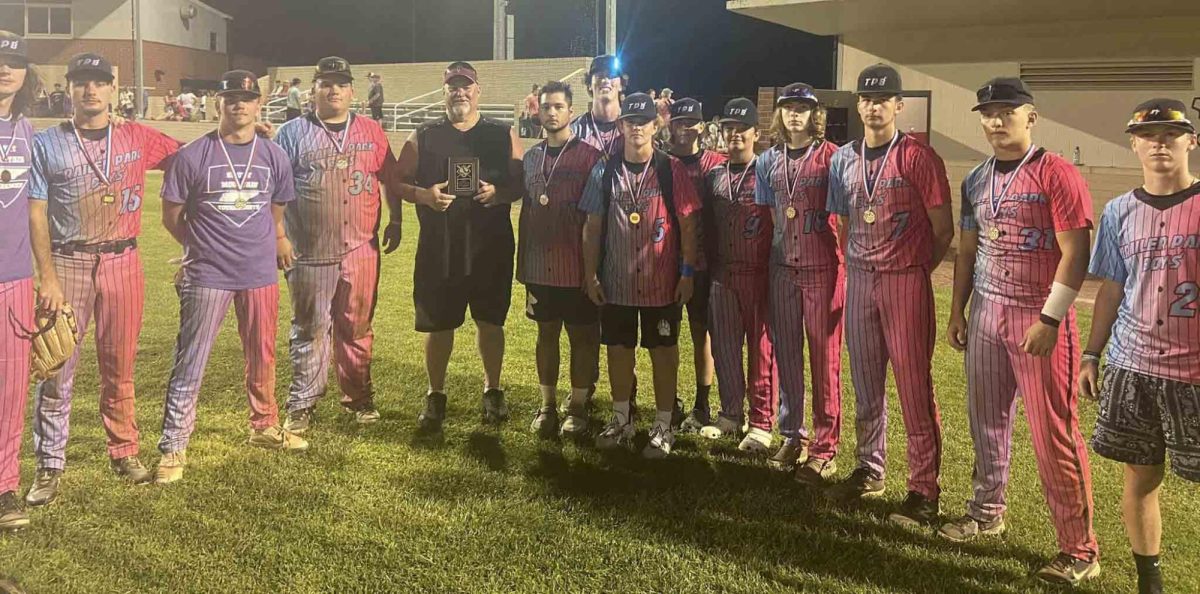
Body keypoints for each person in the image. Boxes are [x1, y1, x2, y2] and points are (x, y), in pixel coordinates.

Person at [942, 77, 1099, 585]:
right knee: (986, 420)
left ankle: (1080, 549)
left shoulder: (1057, 173)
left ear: (1031, 116)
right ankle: (987, 512)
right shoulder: (976, 178)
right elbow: (967, 251)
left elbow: (1076, 253)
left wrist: (1051, 319)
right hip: (987, 310)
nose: (994, 120)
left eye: (1006, 111)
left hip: (1037, 314)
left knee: (1053, 433)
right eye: (987, 112)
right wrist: (957, 311)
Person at [25, 52, 183, 505]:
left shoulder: (137, 135)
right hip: (69, 262)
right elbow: (35, 211)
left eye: (98, 82)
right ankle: (50, 464)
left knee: (120, 364)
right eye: (81, 82)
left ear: (114, 89)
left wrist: (246, 135)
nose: (90, 90)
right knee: (55, 368)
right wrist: (46, 277)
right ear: (69, 90)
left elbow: (188, 158)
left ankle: (124, 450)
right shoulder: (46, 143)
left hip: (123, 262)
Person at [154, 70, 305, 484]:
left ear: (258, 105)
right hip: (207, 274)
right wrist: (197, 246)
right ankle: (173, 446)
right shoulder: (193, 155)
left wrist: (275, 237)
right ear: (218, 104)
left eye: (246, 98)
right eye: (230, 98)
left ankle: (264, 426)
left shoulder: (273, 155)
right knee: (191, 359)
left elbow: (277, 206)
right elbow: (171, 213)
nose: (238, 105)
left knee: (263, 354)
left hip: (258, 273)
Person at [824, 64, 954, 528]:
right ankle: (869, 467)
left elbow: (943, 231)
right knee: (865, 382)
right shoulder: (843, 159)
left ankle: (923, 489)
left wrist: (915, 269)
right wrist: (858, 263)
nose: (873, 106)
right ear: (858, 105)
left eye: (883, 99)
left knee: (914, 387)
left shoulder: (920, 157)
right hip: (860, 277)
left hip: (905, 279)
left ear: (899, 106)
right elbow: (840, 224)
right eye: (866, 98)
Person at [1083, 99, 1200, 594]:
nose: (1158, 144)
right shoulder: (1118, 211)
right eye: (1147, 135)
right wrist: (1092, 353)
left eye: (1169, 135)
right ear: (1133, 143)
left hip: (1195, 372)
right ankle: (1148, 581)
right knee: (1141, 474)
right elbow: (1111, 286)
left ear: (1190, 141)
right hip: (1133, 365)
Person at [393, 61, 524, 434]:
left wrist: (499, 194)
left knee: (490, 321)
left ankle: (493, 390)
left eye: (466, 86)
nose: (459, 92)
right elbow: (396, 181)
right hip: (441, 247)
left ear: (478, 90)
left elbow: (520, 185)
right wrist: (425, 195)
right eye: (453, 86)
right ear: (444, 91)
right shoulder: (424, 135)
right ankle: (435, 394)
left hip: (490, 246)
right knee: (439, 324)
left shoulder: (502, 135)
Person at [274, 57, 401, 434]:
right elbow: (274, 192)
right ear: (313, 90)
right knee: (310, 328)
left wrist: (396, 218)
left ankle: (359, 397)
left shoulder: (372, 131)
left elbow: (388, 177)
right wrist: (278, 236)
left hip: (361, 248)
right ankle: (302, 402)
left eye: (341, 84)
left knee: (357, 326)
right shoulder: (290, 134)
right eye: (326, 83)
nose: (334, 90)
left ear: (351, 91)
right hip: (309, 250)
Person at [580, 93, 701, 458]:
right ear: (620, 126)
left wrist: (687, 272)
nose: (636, 127)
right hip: (616, 282)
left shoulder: (670, 169)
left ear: (654, 126)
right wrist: (590, 275)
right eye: (629, 121)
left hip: (660, 284)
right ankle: (622, 419)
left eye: (643, 121)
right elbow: (591, 226)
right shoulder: (604, 169)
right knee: (618, 350)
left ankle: (663, 425)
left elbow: (689, 223)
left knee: (663, 353)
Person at [754, 83, 844, 482]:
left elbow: (843, 218)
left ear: (814, 114)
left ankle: (825, 448)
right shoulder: (767, 161)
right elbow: (771, 214)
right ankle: (793, 435)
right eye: (788, 108)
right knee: (787, 353)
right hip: (782, 268)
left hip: (822, 268)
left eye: (802, 109)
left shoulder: (834, 158)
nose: (794, 115)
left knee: (825, 360)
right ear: (780, 114)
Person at [517, 81, 605, 438]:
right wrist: (523, 266)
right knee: (546, 334)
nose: (551, 113)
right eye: (546, 107)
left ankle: (579, 407)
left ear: (571, 112)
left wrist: (592, 271)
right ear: (537, 111)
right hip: (540, 267)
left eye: (558, 107)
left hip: (577, 268)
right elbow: (524, 211)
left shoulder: (590, 156)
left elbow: (595, 221)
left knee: (583, 337)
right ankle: (547, 405)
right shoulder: (531, 157)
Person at [696, 98, 776, 454]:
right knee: (725, 347)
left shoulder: (769, 173)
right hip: (722, 274)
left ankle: (761, 423)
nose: (735, 136)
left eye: (742, 130)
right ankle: (730, 413)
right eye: (729, 129)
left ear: (755, 134)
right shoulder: (713, 176)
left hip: (759, 276)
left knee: (761, 351)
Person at [0, 29, 39, 531]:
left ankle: (4, 485)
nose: (5, 70)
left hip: (14, 279)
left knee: (9, 391)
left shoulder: (35, 134)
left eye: (14, 63)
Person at [667, 97, 723, 432]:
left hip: (705, 264)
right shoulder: (662, 162)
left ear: (702, 126)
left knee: (702, 333)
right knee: (667, 336)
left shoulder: (715, 163)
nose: (685, 129)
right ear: (671, 125)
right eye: (679, 122)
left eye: (691, 123)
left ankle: (703, 404)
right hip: (666, 263)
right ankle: (669, 401)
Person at [570, 55, 625, 160]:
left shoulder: (632, 128)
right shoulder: (575, 131)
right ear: (590, 84)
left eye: (612, 75)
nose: (605, 80)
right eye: (599, 75)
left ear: (621, 84)